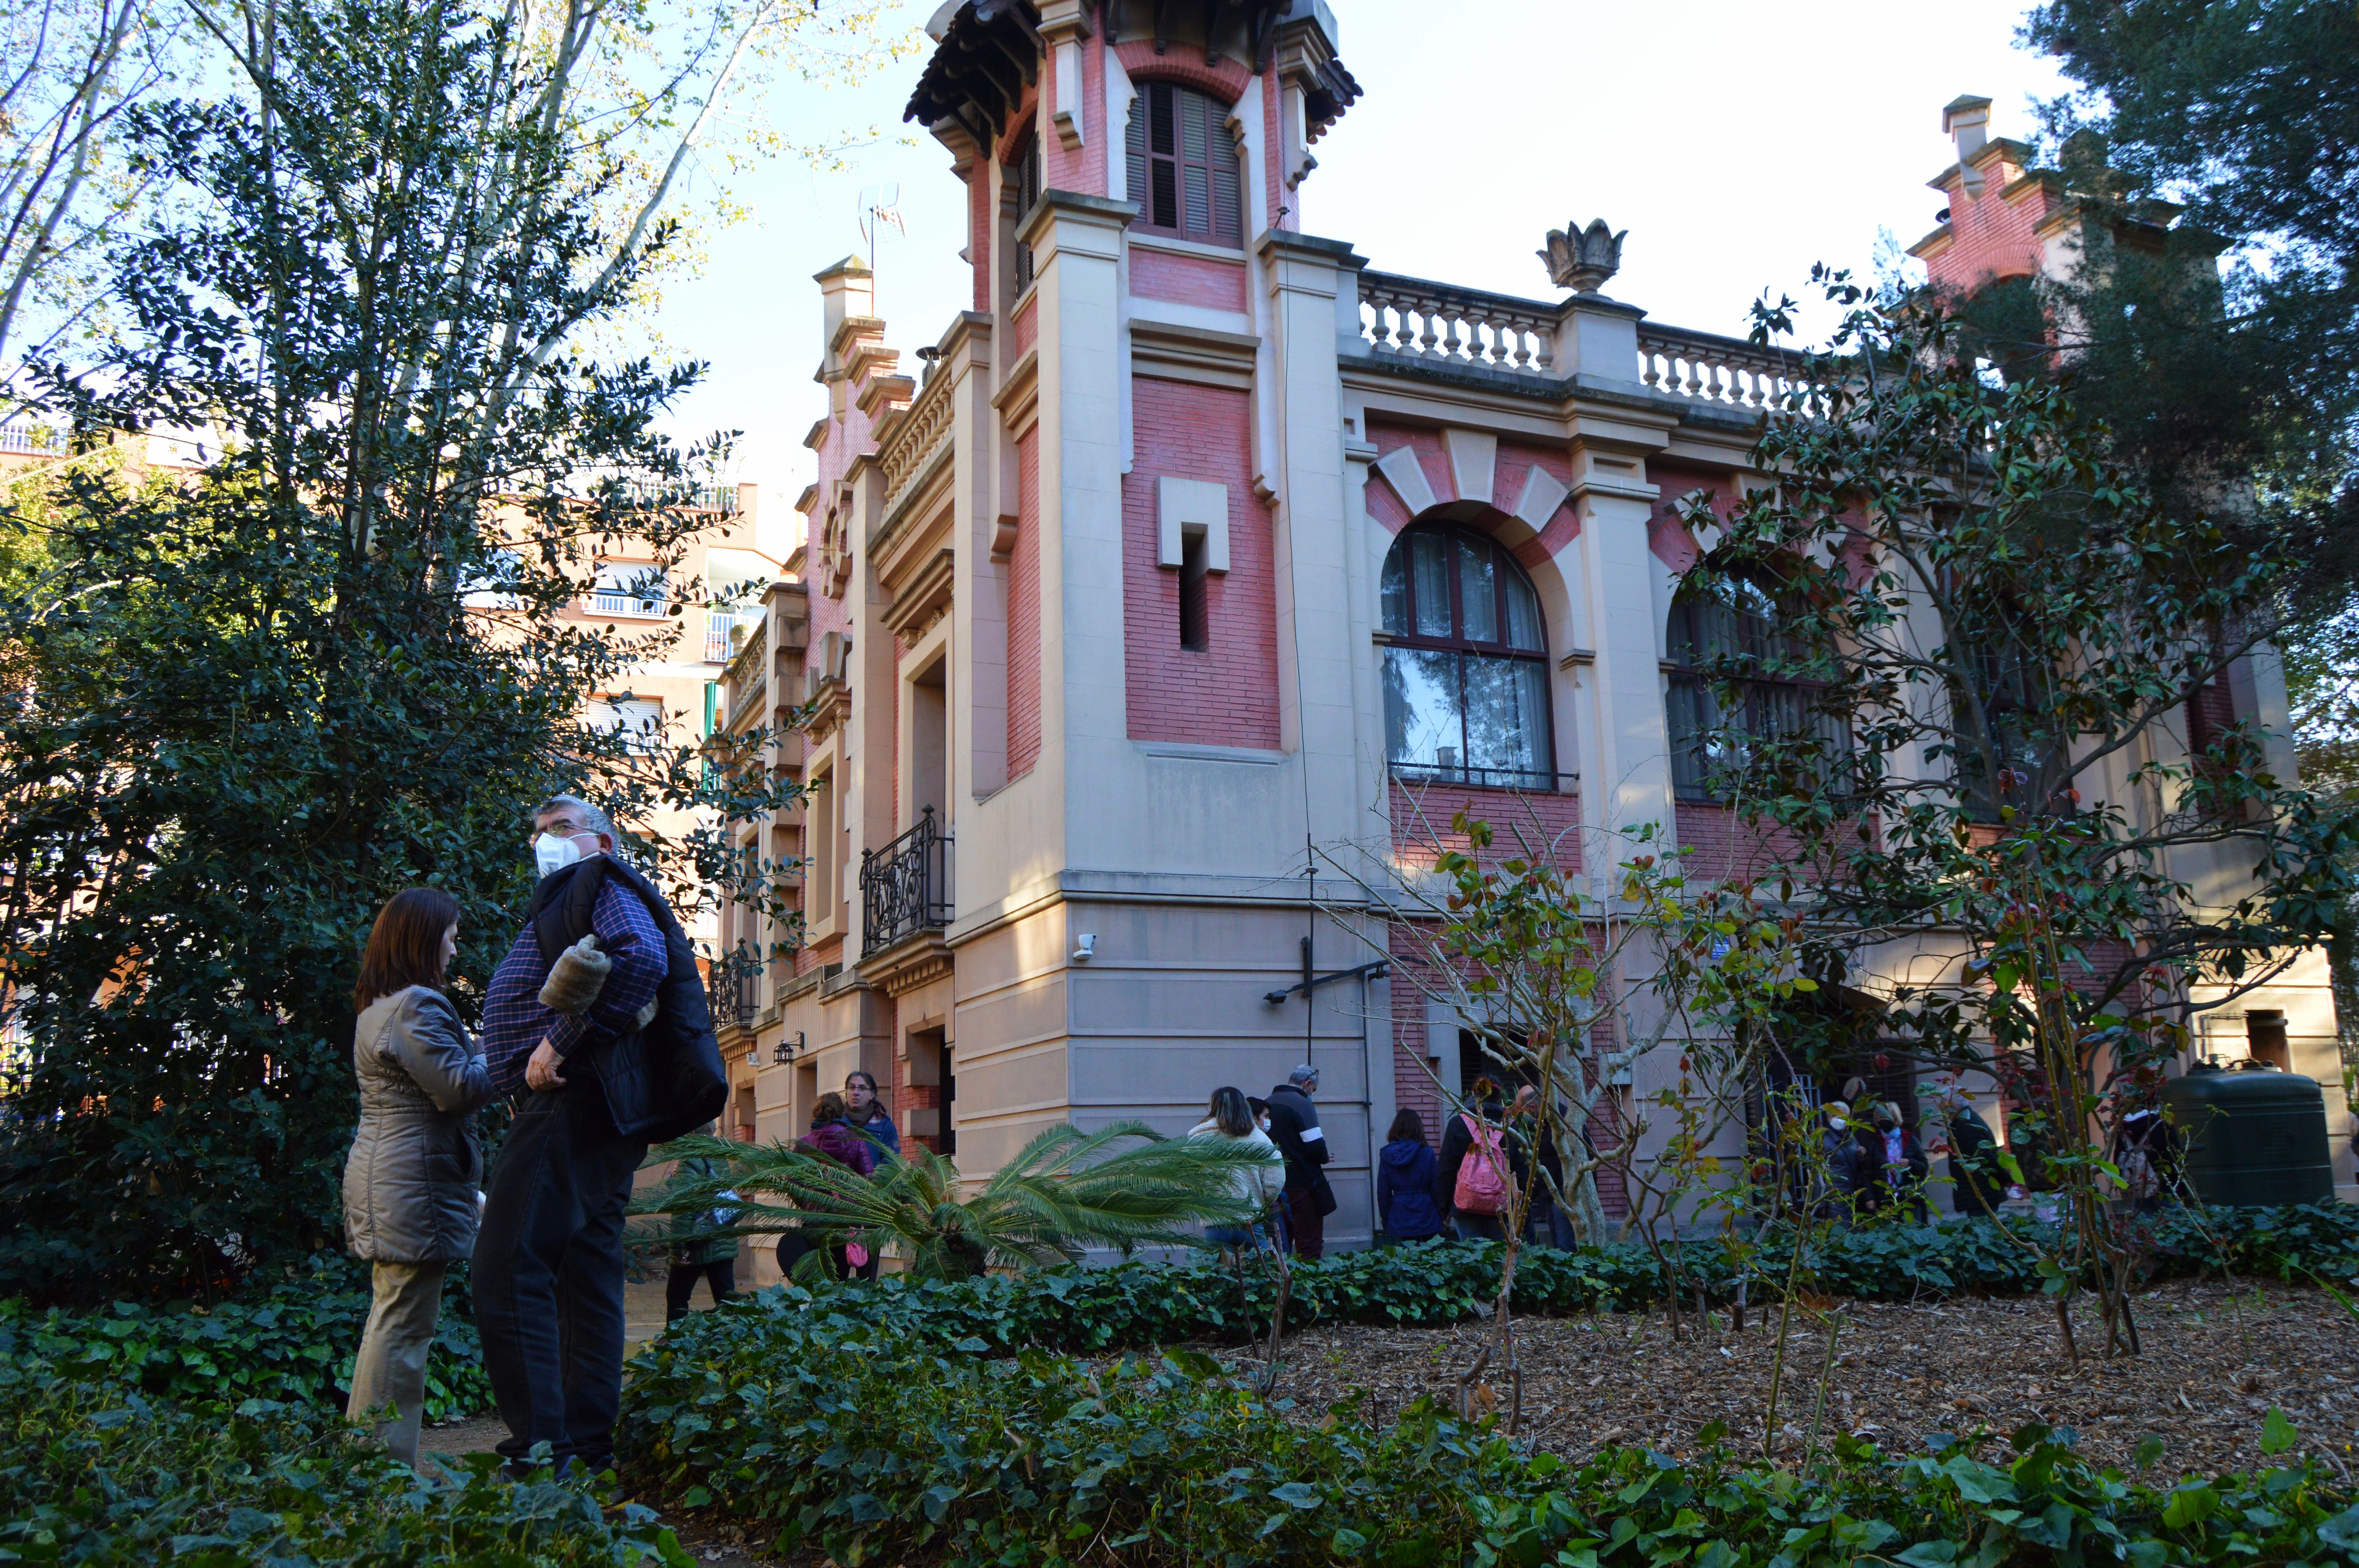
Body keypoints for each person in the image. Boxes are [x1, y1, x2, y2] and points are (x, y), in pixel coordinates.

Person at [473, 795, 670, 1479]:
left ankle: (540, 1452)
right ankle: (584, 1451)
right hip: (589, 1108)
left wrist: (558, 1042)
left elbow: (641, 960)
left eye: (561, 829)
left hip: (567, 1100)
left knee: (504, 1268)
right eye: (537, 833)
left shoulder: (600, 882)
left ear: (604, 844)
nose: (545, 843)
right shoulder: (572, 895)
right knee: (586, 1277)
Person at [343, 888, 494, 1473]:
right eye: (451, 934)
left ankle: (365, 1465)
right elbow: (458, 1089)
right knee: (403, 1331)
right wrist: (500, 1048)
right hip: (412, 1184)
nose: (455, 947)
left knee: (393, 1322)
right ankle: (378, 1472)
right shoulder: (416, 1006)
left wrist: (473, 1049)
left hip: (394, 1178)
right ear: (424, 938)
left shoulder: (381, 1007)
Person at [776, 1091, 878, 1281]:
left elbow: (792, 1182)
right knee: (844, 1273)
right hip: (847, 1219)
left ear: (817, 1113)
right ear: (842, 1113)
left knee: (824, 1277)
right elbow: (869, 1180)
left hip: (816, 1221)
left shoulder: (805, 1143)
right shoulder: (855, 1140)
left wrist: (808, 1203)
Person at [1189, 1086, 1285, 1256]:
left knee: (1214, 1277)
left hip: (1216, 1222)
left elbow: (1186, 1178)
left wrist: (1202, 1201)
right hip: (1251, 1221)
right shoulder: (1259, 1138)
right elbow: (1275, 1179)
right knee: (1263, 1274)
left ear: (1214, 1108)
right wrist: (1261, 1201)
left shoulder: (1198, 1138)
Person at [665, 1127, 739, 1325]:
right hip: (722, 1239)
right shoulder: (719, 1154)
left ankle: (676, 1347)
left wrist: (679, 1250)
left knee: (677, 1299)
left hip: (695, 1244)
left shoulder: (690, 1160)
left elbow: (684, 1208)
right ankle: (733, 1346)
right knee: (728, 1302)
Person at [1262, 1065, 1334, 1258]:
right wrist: (1326, 1157)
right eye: (1314, 1091)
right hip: (1303, 1187)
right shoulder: (1302, 1105)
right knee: (1309, 1247)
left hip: (1275, 1188)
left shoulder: (1268, 1104)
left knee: (1280, 1246)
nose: (1312, 1095)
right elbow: (1316, 1146)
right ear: (1308, 1084)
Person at [1435, 1080, 1515, 1240]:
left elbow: (1447, 1169)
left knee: (1471, 1256)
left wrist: (1443, 1209)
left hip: (1466, 1207)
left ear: (1474, 1095)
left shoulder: (1458, 1124)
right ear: (1500, 1096)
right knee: (1502, 1255)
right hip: (1503, 1206)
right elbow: (1520, 1167)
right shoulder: (1510, 1126)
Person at [1510, 1085, 1573, 1249]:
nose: (1519, 1115)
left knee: (1565, 1247)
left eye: (1519, 1109)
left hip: (1565, 1194)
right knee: (1560, 1246)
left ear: (1532, 1108)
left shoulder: (1562, 1121)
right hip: (1553, 1194)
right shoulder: (1542, 1124)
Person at [1374, 1108, 1444, 1244]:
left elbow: (1383, 1192)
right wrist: (1441, 1213)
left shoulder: (1388, 1155)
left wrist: (1386, 1219)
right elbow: (1436, 1187)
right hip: (1427, 1216)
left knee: (1404, 1261)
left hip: (1400, 1217)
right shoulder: (1427, 1153)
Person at [1940, 1091, 2008, 1218]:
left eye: (1944, 1106)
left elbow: (1985, 1157)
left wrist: (2006, 1179)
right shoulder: (1968, 1120)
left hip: (1980, 1194)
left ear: (1951, 1107)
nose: (1943, 1112)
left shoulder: (1965, 1125)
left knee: (1981, 1233)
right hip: (1980, 1193)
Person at [844, 1069, 901, 1158]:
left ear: (872, 1094)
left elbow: (892, 1162)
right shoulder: (835, 1121)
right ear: (846, 1093)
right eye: (852, 1088)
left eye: (862, 1088)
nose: (856, 1093)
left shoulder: (885, 1126)